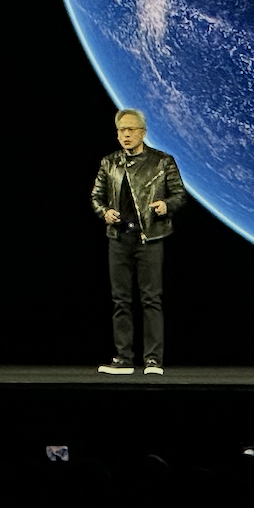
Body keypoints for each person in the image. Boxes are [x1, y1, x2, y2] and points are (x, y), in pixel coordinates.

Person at [91, 108, 186, 375]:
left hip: (150, 239)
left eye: (131, 129)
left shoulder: (161, 162)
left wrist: (166, 205)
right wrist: (104, 212)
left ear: (143, 133)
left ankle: (153, 360)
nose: (127, 134)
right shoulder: (109, 163)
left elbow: (179, 194)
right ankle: (123, 359)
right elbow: (96, 197)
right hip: (119, 240)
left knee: (150, 299)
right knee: (120, 300)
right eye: (122, 130)